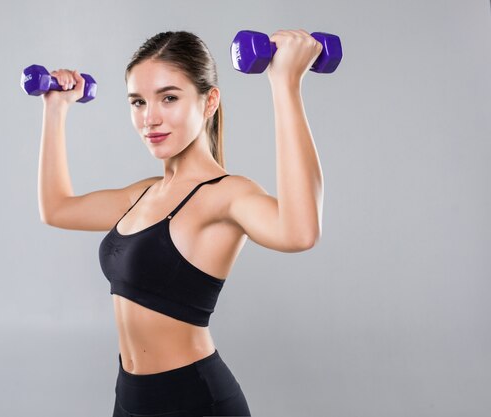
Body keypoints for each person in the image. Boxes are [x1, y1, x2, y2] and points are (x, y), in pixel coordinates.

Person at [38, 29, 323, 417]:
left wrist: (285, 85)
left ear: (209, 102)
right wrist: (56, 108)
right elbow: (57, 209)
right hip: (130, 398)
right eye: (138, 102)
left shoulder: (227, 194)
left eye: (169, 98)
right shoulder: (143, 194)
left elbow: (299, 231)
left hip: (195, 402)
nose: (149, 118)